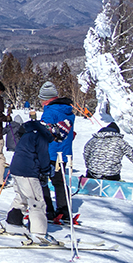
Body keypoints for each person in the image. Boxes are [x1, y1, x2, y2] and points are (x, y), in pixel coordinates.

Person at [0, 120, 69, 245]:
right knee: (37, 201)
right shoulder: (41, 136)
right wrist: (46, 170)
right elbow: (43, 157)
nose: (54, 141)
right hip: (28, 172)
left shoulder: (31, 132)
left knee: (21, 197)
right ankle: (39, 233)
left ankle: (13, 223)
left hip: (16, 169)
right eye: (56, 139)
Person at [38, 80, 77, 224]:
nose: (41, 103)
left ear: (46, 99)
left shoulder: (50, 112)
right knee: (59, 182)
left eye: (41, 99)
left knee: (42, 181)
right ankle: (64, 210)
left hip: (49, 152)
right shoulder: (68, 111)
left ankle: (47, 210)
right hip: (64, 153)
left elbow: (44, 132)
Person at [82, 109, 133, 183]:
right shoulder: (120, 142)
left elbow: (86, 153)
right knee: (113, 172)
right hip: (111, 176)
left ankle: (89, 179)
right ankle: (114, 183)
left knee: (93, 169)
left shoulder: (94, 139)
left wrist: (91, 166)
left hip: (92, 174)